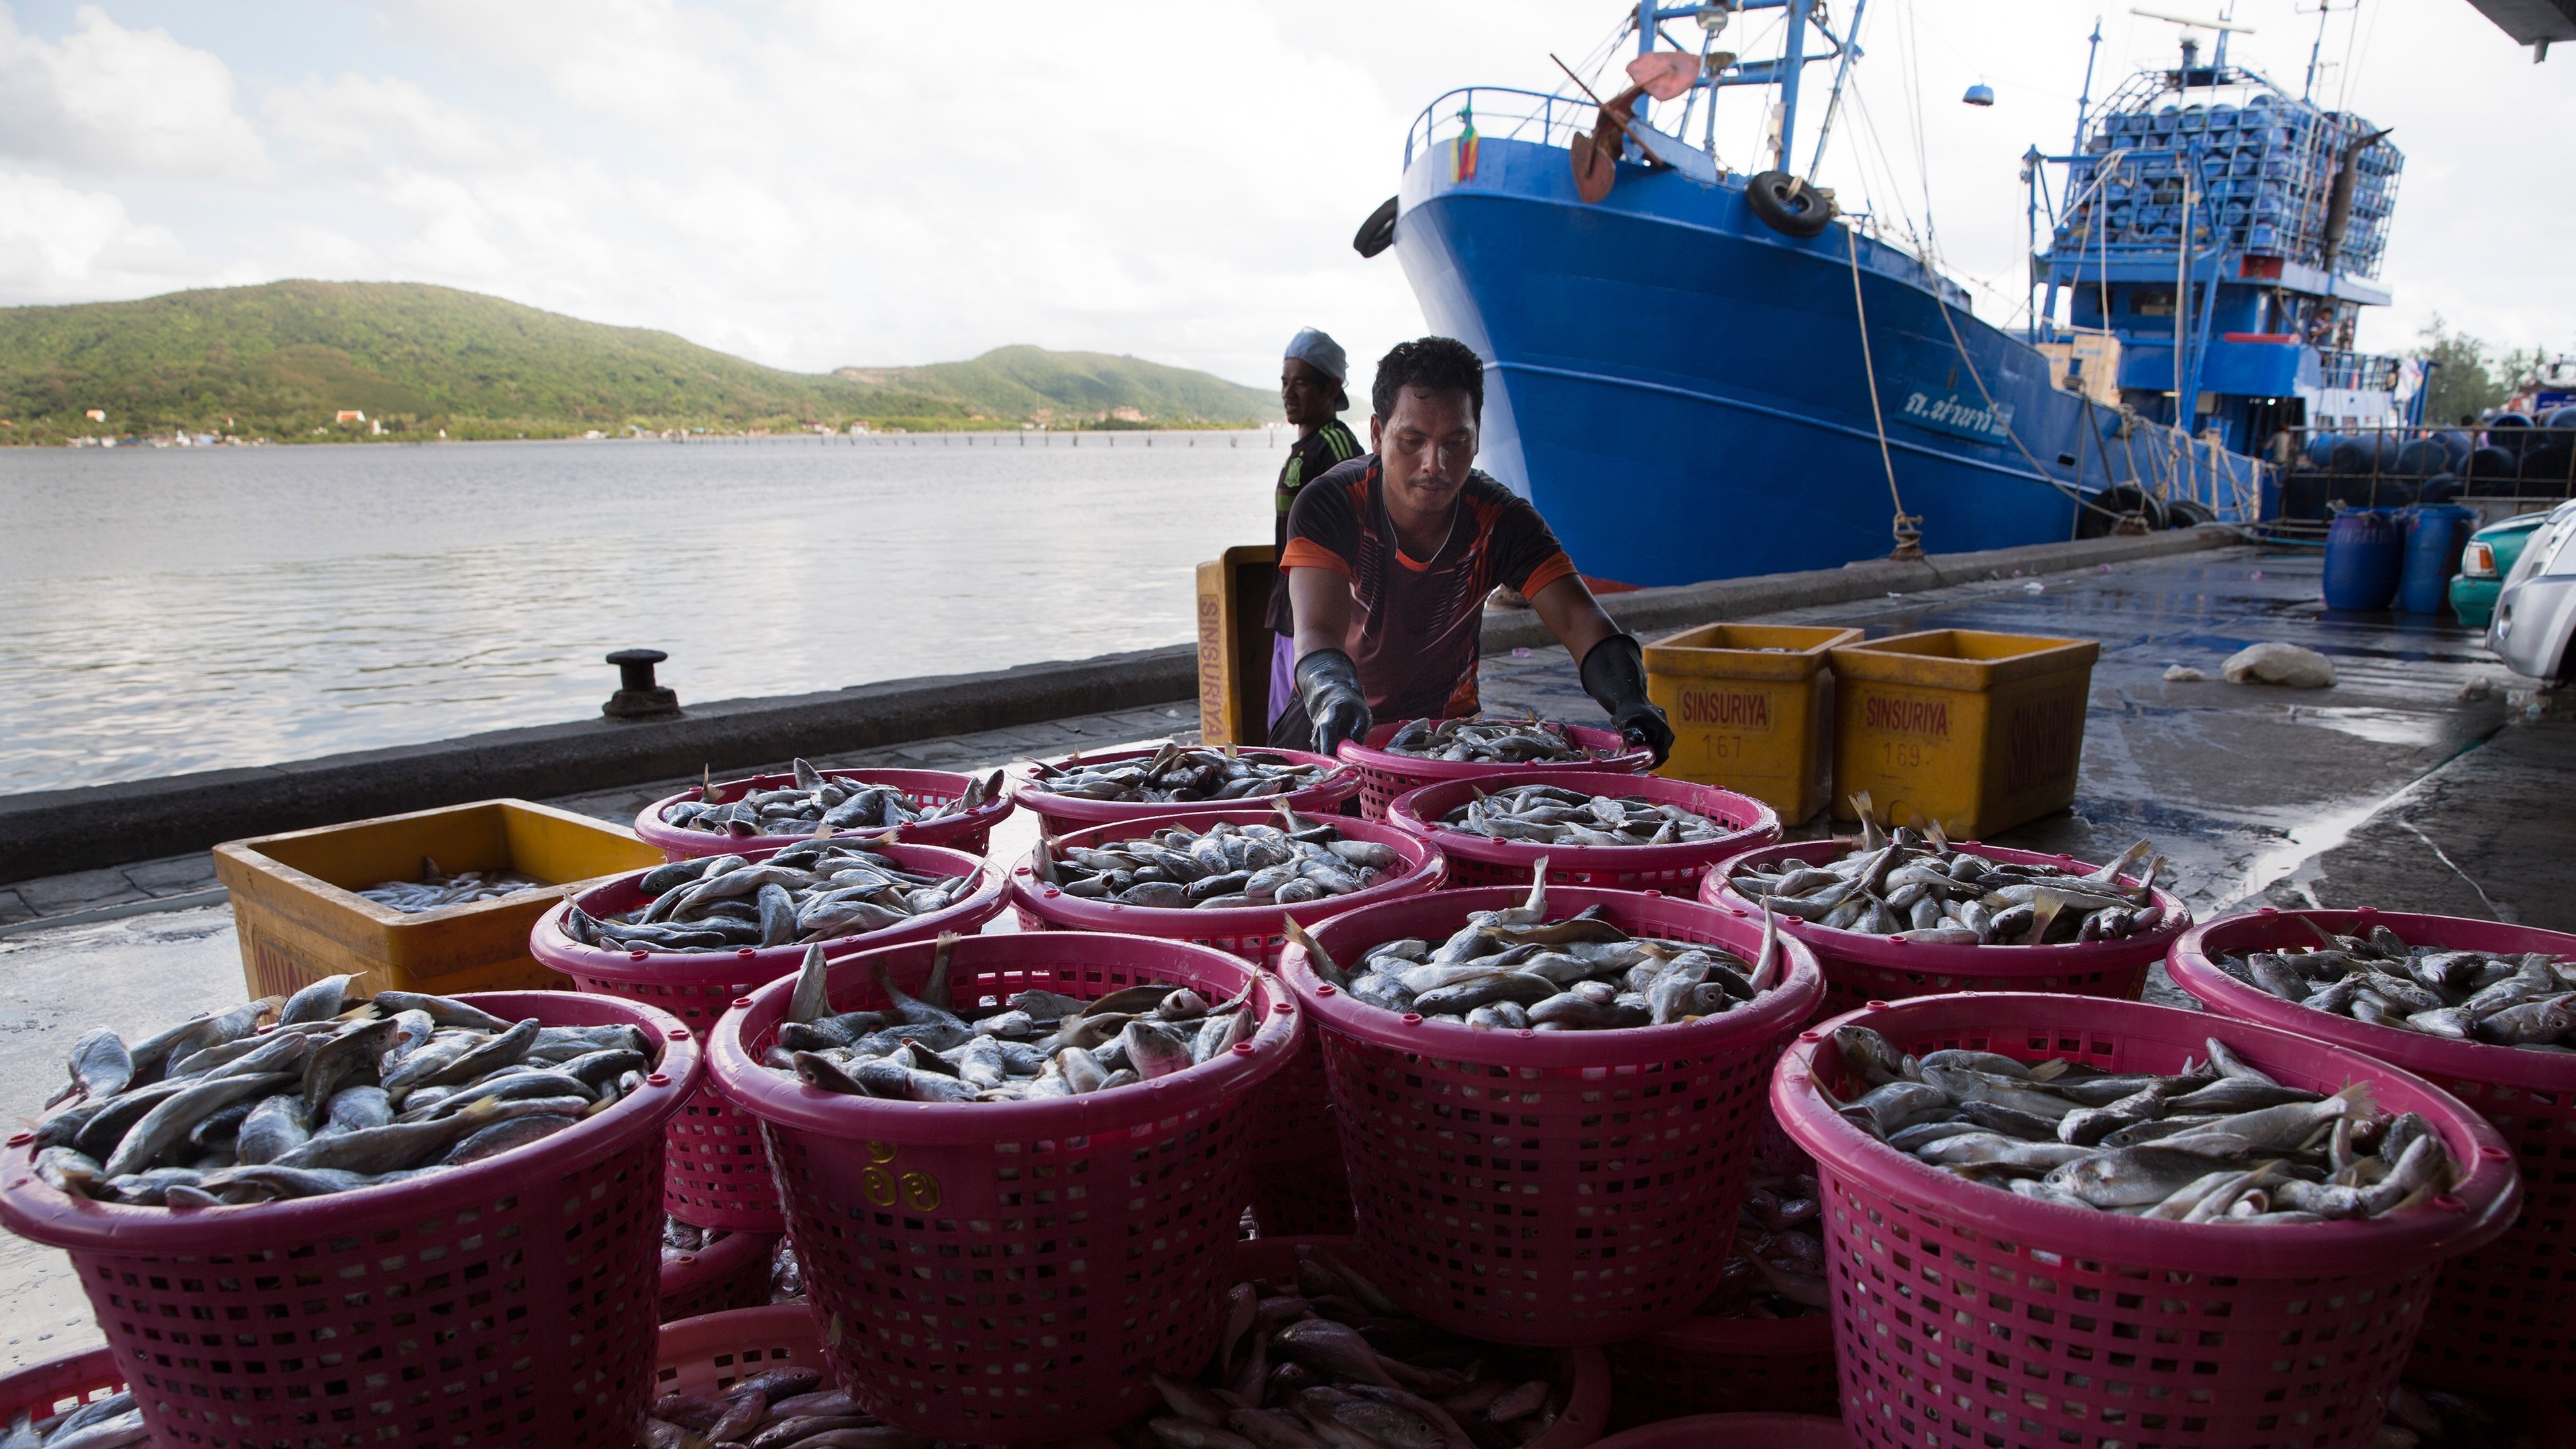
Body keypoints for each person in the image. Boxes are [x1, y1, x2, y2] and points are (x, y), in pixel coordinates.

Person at [1269, 335, 1674, 766]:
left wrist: (1631, 700)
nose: (1434, 464)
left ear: (1478, 436)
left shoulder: (1504, 520)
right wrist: (1335, 694)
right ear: (1376, 434)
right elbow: (1317, 631)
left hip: (1447, 741)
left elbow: (1580, 619)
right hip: (1328, 730)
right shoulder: (1331, 503)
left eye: (1455, 442)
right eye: (1412, 441)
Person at [1267, 329, 1363, 731]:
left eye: (1301, 382)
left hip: (1319, 617)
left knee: (1312, 725)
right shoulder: (1303, 449)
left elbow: (1361, 525)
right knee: (1281, 728)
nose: (1289, 392)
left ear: (1332, 388)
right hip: (1289, 612)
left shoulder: (1337, 445)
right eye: (1285, 382)